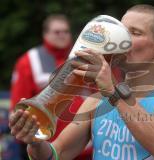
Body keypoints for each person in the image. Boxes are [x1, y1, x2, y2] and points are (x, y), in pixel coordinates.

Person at [9, 4, 154, 160]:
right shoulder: (96, 101)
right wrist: (34, 140)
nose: (123, 39)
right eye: (122, 31)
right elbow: (55, 154)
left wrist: (113, 92)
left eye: (135, 32)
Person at [9, 14, 92, 160]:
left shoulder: (85, 59)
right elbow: (19, 103)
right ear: (45, 34)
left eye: (65, 31)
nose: (62, 35)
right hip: (45, 148)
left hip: (86, 149)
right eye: (57, 32)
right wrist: (25, 135)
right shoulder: (29, 60)